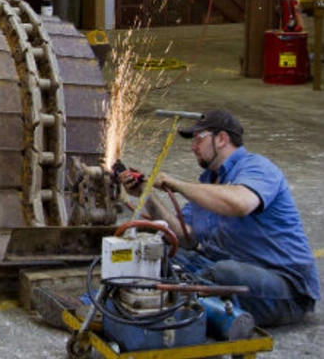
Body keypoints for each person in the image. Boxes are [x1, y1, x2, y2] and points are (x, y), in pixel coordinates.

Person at [119, 109, 320, 327]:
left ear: (222, 139)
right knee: (156, 254)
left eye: (198, 139)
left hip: (283, 288)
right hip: (224, 269)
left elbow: (241, 203)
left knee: (223, 272)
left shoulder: (258, 168)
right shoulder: (208, 183)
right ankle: (174, 299)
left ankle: (178, 304)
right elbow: (186, 238)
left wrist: (178, 185)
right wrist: (147, 195)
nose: (192, 146)